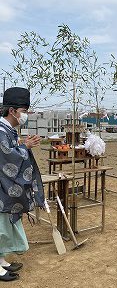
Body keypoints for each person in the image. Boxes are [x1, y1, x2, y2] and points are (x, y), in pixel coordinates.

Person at [0, 87, 44, 282]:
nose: (25, 115)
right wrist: (24, 147)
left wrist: (22, 145)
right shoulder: (1, 132)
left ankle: (1, 260)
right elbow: (7, 159)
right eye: (24, 111)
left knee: (4, 227)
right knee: (0, 227)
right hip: (1, 188)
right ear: (12, 111)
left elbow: (11, 151)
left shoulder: (7, 130)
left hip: (4, 187)